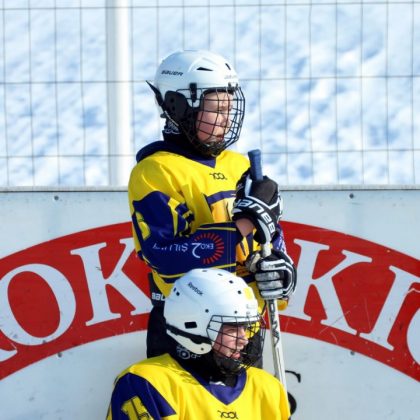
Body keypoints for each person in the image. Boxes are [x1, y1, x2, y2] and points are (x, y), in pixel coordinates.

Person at [128, 49, 297, 358]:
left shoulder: (239, 166)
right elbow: (163, 255)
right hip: (187, 330)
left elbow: (270, 238)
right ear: (178, 106)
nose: (226, 119)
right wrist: (244, 224)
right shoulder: (156, 171)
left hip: (245, 328)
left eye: (229, 108)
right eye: (217, 109)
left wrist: (279, 268)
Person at [106, 268, 291, 420]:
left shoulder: (268, 387)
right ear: (193, 325)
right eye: (232, 328)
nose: (243, 339)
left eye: (245, 327)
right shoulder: (146, 383)